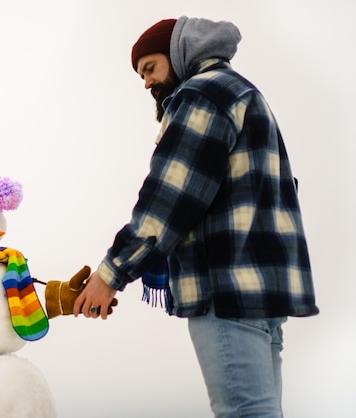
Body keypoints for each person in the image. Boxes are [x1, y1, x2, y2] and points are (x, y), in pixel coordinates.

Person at [73, 16, 319, 418]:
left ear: (178, 53)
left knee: (245, 412)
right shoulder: (244, 94)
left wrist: (110, 274)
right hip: (262, 291)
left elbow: (171, 197)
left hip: (226, 289)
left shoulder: (204, 94)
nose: (147, 83)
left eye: (149, 68)